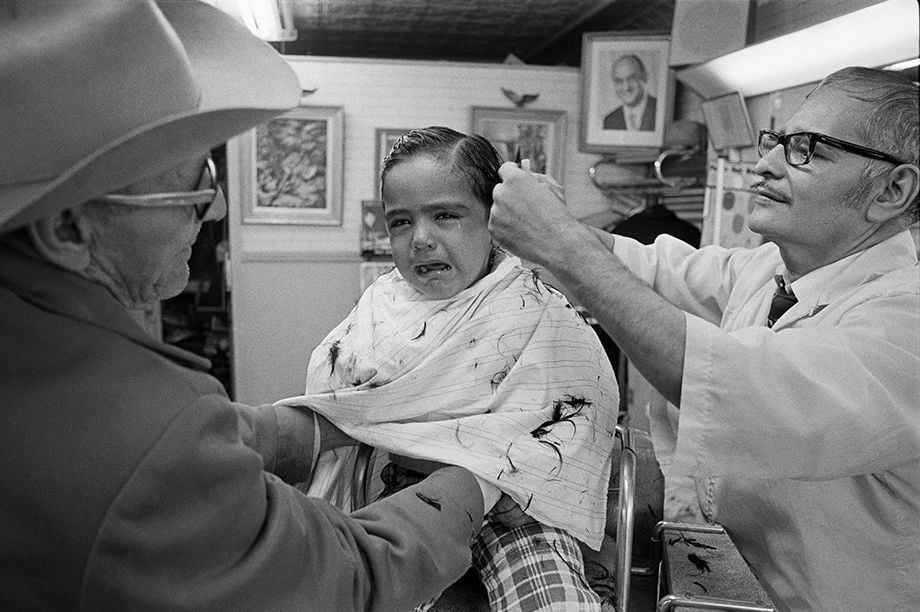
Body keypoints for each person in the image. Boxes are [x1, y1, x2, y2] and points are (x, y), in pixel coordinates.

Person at [0, 2, 490, 609]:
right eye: (193, 184)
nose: (219, 210)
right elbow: (343, 582)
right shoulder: (141, 437)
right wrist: (473, 479)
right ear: (70, 230)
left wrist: (292, 429)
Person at [489, 66, 920, 611]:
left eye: (807, 149)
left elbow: (731, 382)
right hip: (734, 580)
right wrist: (549, 225)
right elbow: (654, 267)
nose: (764, 164)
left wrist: (559, 242)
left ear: (892, 189)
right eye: (779, 141)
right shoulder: (770, 270)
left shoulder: (904, 325)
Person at [277, 127, 620, 610]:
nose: (420, 239)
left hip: (522, 511)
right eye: (400, 222)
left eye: (445, 216)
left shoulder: (537, 307)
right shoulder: (377, 314)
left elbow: (588, 411)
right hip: (413, 498)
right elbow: (343, 405)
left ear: (493, 220)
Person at [603, 54, 657, 131]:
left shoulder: (661, 110)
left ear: (645, 77)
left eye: (631, 78)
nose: (626, 87)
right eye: (619, 81)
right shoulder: (610, 121)